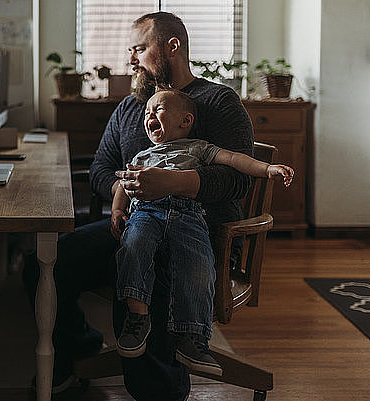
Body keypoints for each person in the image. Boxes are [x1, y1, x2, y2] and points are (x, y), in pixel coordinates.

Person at [23, 11, 255, 400]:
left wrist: (178, 182)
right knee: (45, 263)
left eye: (139, 49)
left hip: (199, 235)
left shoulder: (218, 102)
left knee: (148, 281)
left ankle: (161, 391)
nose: (132, 59)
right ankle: (79, 348)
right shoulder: (133, 108)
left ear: (172, 48)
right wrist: (127, 186)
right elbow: (101, 168)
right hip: (134, 224)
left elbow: (239, 179)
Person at [112, 89, 293, 375]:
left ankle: (193, 338)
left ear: (185, 120)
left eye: (158, 109)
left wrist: (267, 168)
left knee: (198, 264)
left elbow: (235, 160)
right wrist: (116, 211)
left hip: (188, 214)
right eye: (146, 112)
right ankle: (137, 317)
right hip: (146, 213)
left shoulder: (199, 147)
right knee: (133, 247)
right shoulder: (143, 155)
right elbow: (124, 183)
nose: (149, 116)